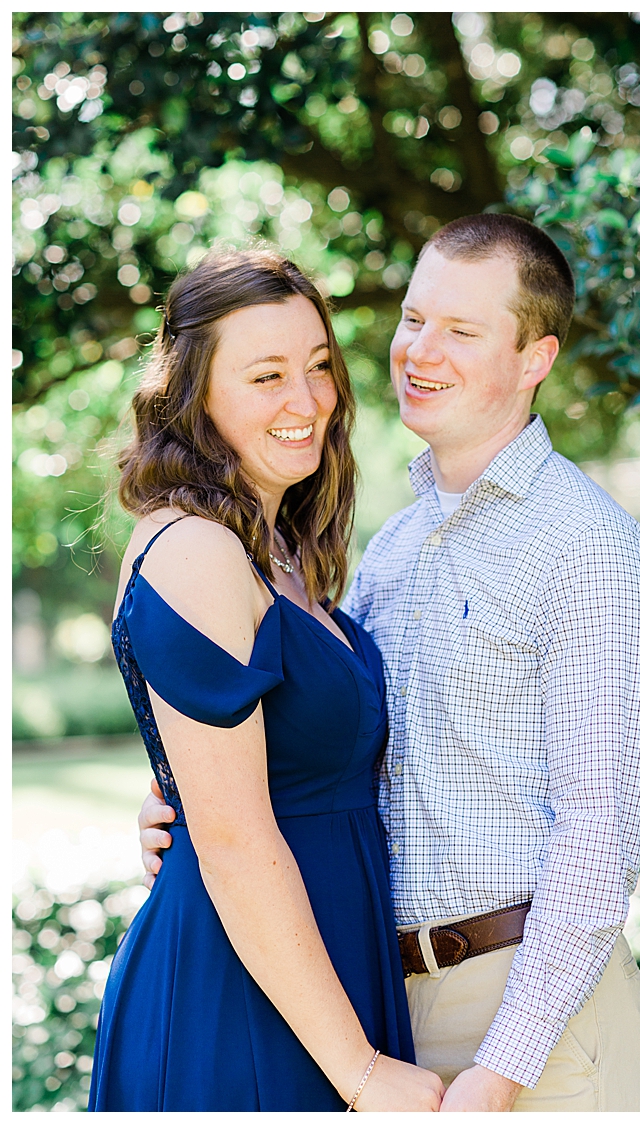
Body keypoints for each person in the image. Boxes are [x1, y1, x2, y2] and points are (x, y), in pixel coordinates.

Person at [138, 214, 640, 1111]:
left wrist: (502, 1070)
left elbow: (599, 836)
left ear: (535, 358)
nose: (421, 352)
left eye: (463, 331)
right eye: (415, 319)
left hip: (523, 1013)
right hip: (378, 1001)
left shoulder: (591, 550)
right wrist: (188, 796)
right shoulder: (392, 546)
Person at [92, 250, 445, 1110]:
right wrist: (359, 1071)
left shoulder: (277, 549)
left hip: (316, 970)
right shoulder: (199, 551)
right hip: (247, 996)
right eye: (266, 376)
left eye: (318, 367)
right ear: (194, 395)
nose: (306, 401)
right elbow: (239, 840)